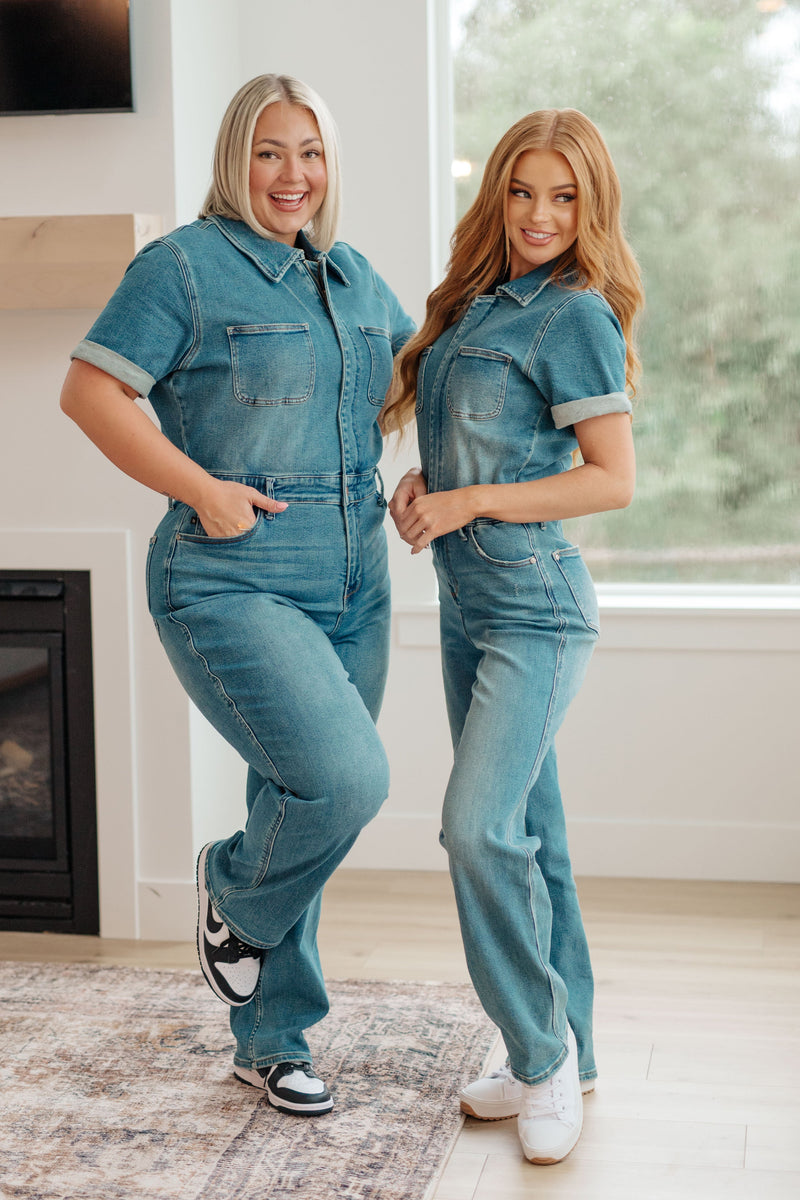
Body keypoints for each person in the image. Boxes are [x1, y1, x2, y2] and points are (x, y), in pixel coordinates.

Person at [60, 74, 414, 1117]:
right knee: (344, 783)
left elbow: (408, 388)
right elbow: (90, 390)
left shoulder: (352, 277)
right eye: (269, 152)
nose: (291, 175)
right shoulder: (183, 266)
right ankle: (231, 890)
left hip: (356, 579)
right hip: (230, 575)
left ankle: (271, 1041)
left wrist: (441, 470)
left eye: (310, 152)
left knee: (295, 799)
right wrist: (202, 490)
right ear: (234, 160)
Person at [383, 108, 643, 1164]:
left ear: (589, 207)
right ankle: (573, 1054)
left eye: (564, 197)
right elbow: (485, 449)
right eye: (523, 191)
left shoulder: (573, 314)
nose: (540, 215)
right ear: (497, 193)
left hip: (536, 607)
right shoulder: (475, 304)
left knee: (477, 828)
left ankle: (537, 1058)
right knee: (535, 836)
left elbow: (611, 481)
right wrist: (427, 483)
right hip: (469, 605)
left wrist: (470, 501)